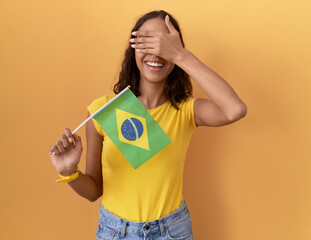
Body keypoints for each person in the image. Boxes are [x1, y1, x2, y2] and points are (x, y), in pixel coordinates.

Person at [49, 10, 247, 240]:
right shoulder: (103, 110)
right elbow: (94, 191)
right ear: (133, 49)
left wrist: (181, 55)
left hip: (172, 231)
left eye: (164, 45)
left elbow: (235, 110)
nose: (157, 52)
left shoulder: (185, 111)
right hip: (115, 232)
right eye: (147, 42)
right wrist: (69, 172)